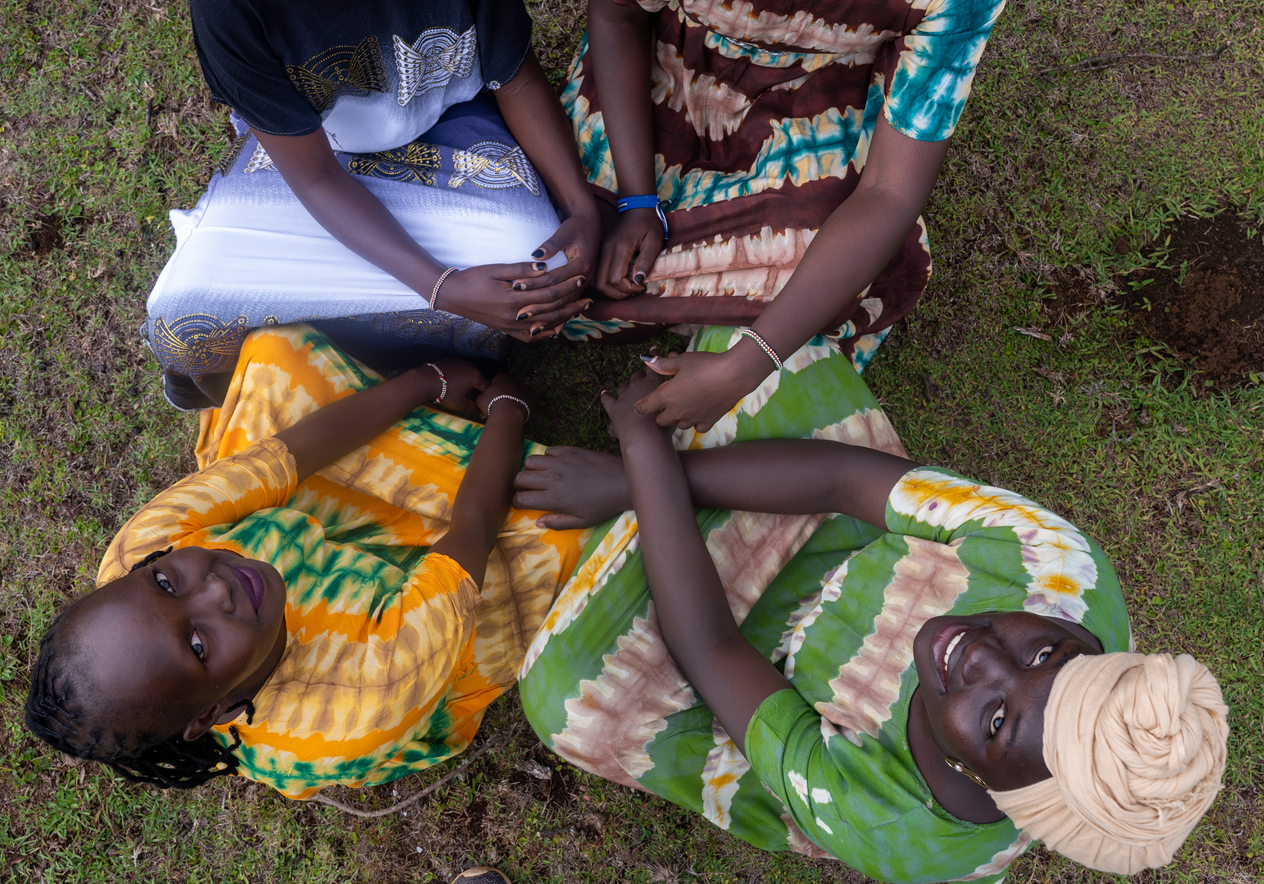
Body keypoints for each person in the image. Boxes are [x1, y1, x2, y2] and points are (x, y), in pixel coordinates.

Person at [515, 371, 1229, 881]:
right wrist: (632, 481)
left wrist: (646, 461)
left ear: (981, 777)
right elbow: (842, 481)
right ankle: (655, 517)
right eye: (1043, 650)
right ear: (1083, 642)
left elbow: (710, 645)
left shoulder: (890, 823)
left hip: (742, 694)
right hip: (836, 533)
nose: (984, 656)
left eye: (996, 720)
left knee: (564, 693)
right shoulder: (1064, 571)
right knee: (763, 358)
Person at [561, 0, 1011, 440]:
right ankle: (706, 296)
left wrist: (747, 366)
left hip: (812, 116)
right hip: (659, 94)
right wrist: (635, 198)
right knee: (556, 250)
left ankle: (727, 324)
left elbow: (890, 193)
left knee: (870, 263)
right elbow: (618, 16)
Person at [146, 0, 599, 411]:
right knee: (180, 318)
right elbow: (316, 177)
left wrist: (581, 208)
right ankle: (424, 351)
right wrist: (441, 287)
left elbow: (516, 78)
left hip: (451, 136)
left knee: (539, 279)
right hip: (317, 168)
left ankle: (352, 361)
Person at [24, 325, 586, 798]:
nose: (214, 592)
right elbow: (472, 533)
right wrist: (509, 411)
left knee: (277, 358)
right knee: (560, 540)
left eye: (167, 583)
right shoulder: (363, 698)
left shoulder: (142, 551)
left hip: (321, 533)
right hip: (428, 626)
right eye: (197, 646)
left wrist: (425, 381)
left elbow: (287, 456)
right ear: (215, 713)